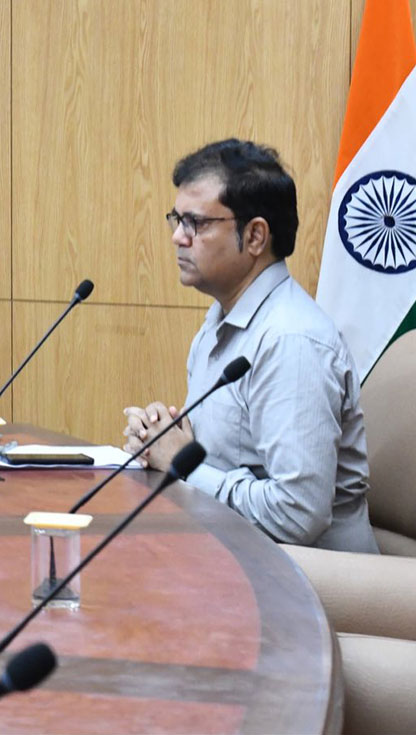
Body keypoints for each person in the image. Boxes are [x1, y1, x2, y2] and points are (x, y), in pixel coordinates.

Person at [124, 139, 377, 553]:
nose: (177, 238)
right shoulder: (222, 320)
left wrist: (184, 465)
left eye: (196, 223)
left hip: (312, 584)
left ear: (255, 235)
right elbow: (227, 455)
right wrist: (166, 438)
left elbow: (297, 516)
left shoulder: (291, 342)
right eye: (176, 219)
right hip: (238, 556)